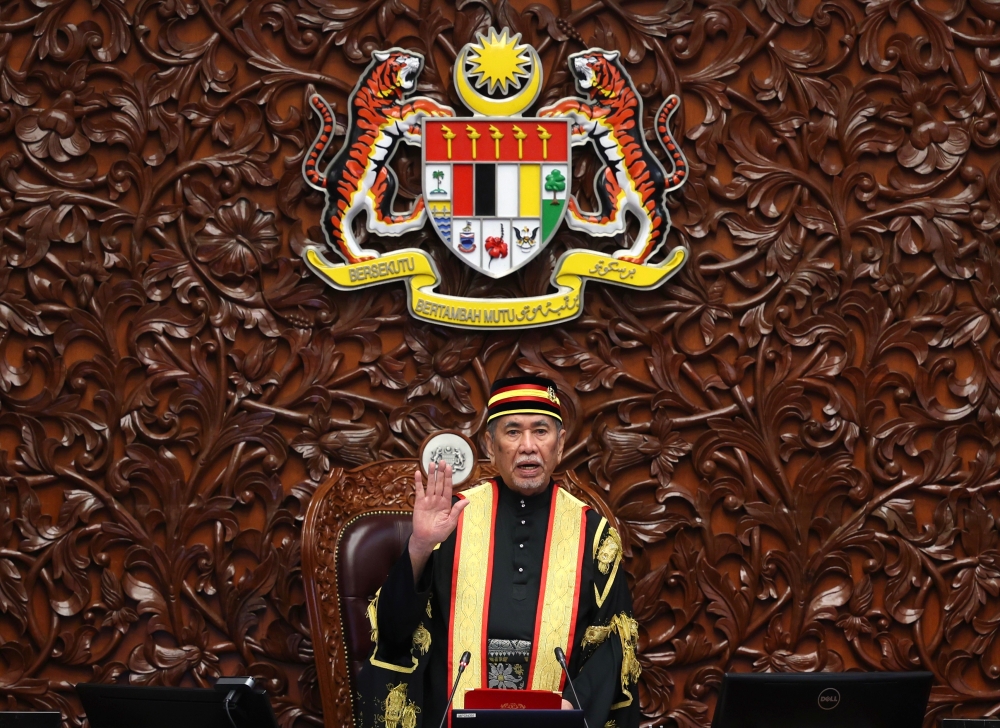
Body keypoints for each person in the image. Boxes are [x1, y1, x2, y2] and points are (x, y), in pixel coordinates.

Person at [355, 376, 639, 728]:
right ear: (490, 445)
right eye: (512, 432)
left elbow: (613, 649)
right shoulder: (452, 520)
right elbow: (395, 633)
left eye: (541, 431)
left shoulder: (594, 535)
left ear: (560, 444)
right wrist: (420, 546)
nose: (528, 446)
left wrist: (572, 706)